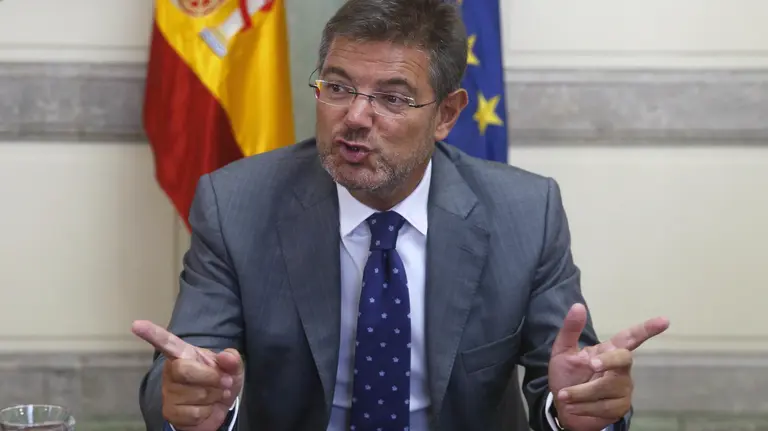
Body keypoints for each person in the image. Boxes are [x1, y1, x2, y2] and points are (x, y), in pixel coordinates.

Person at [133, 0, 670, 430]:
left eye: (393, 98)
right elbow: (185, 372)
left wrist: (576, 410)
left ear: (448, 114)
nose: (355, 118)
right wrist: (190, 404)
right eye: (338, 88)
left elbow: (572, 381)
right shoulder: (236, 204)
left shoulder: (526, 213)